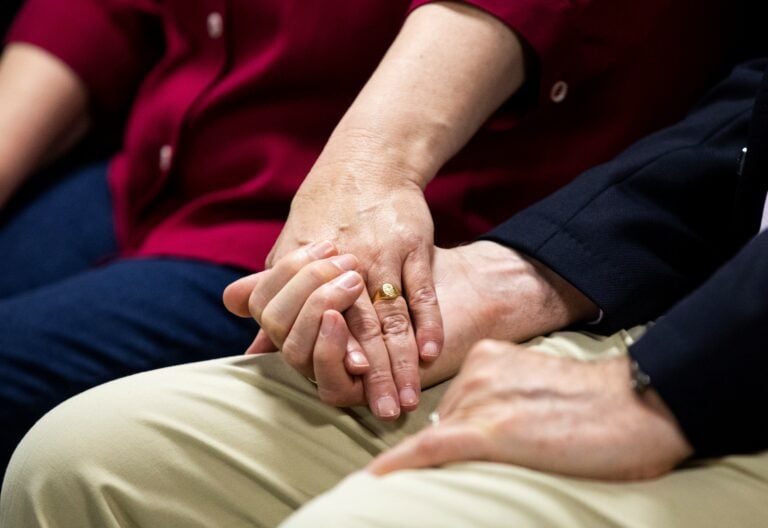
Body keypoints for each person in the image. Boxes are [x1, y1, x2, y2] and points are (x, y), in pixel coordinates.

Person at [3, 46, 768, 526]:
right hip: (709, 289)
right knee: (81, 460)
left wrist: (672, 380)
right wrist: (528, 270)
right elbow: (749, 110)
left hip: (728, 355)